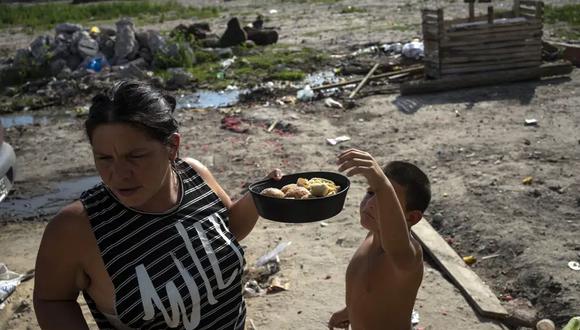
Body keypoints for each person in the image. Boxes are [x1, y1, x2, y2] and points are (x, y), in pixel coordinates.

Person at [33, 80, 282, 330]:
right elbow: (52, 300)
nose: (118, 175)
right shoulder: (77, 227)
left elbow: (227, 230)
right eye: (104, 158)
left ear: (172, 147)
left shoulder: (194, 175)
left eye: (136, 156)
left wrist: (257, 196)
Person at [329, 149, 431, 330]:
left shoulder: (407, 256)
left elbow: (395, 245)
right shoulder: (372, 236)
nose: (369, 204)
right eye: (370, 193)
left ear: (412, 217)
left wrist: (382, 184)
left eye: (385, 201)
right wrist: (348, 312)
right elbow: (368, 290)